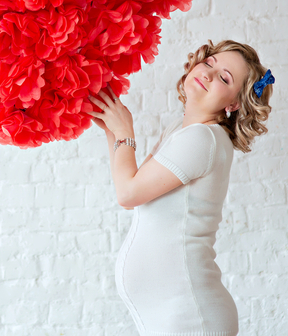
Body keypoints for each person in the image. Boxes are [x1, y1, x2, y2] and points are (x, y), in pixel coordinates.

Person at [87, 40, 274, 336]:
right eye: (210, 63)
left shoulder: (203, 139)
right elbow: (133, 184)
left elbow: (128, 194)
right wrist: (113, 127)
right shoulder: (182, 130)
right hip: (174, 314)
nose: (208, 74)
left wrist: (123, 131)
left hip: (191, 317)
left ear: (234, 104)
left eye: (224, 78)